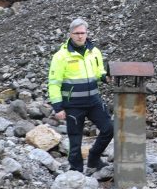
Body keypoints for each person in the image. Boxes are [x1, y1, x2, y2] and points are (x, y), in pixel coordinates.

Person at [48, 18, 113, 174]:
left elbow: (98, 72)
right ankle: (75, 171)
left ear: (87, 33)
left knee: (109, 129)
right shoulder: (60, 56)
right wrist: (58, 107)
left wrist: (105, 77)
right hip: (73, 105)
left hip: (94, 102)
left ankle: (94, 158)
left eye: (82, 33)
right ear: (70, 34)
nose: (80, 36)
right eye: (76, 33)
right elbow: (54, 83)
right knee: (75, 141)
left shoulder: (94, 52)